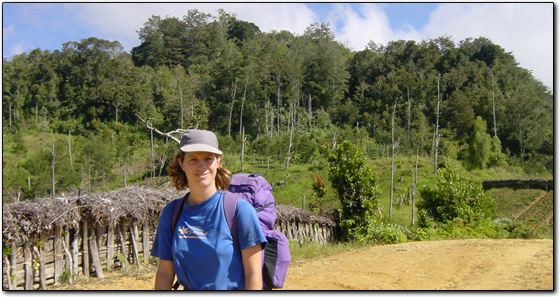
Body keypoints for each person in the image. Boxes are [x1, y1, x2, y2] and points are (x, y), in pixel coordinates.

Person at [150, 129, 267, 290]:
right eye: (193, 159)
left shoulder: (239, 210)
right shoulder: (172, 213)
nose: (202, 166)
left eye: (208, 159)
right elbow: (165, 271)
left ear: (218, 162)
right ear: (181, 163)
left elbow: (253, 274)